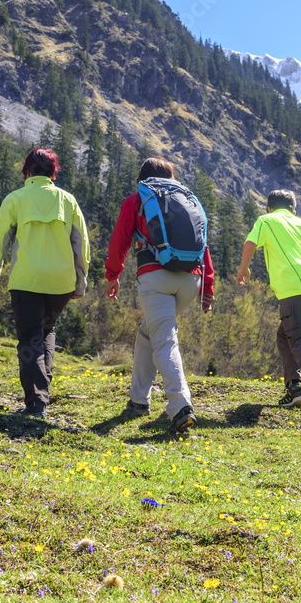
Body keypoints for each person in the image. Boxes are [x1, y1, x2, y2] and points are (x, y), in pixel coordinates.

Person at [105, 157, 214, 435]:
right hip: (191, 279)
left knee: (165, 338)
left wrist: (112, 275)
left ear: (143, 178)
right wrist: (207, 289)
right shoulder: (186, 199)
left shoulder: (137, 200)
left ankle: (180, 407)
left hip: (156, 277)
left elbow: (120, 240)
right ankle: (138, 401)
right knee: (148, 332)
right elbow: (203, 245)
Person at [0, 147, 90, 419]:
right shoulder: (68, 200)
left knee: (30, 337)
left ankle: (36, 403)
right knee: (47, 331)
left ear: (27, 170)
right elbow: (81, 244)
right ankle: (41, 391)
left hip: (26, 281)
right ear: (53, 172)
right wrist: (80, 281)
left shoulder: (15, 199)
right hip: (60, 283)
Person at [236, 189, 301, 430]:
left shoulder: (266, 220)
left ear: (269, 208)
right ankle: (294, 389)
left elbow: (250, 242)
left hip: (291, 286)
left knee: (299, 336)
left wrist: (243, 270)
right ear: (294, 210)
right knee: (285, 334)